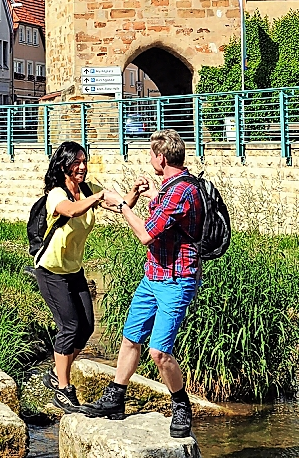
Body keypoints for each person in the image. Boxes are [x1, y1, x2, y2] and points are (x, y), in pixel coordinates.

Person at [83, 128, 205, 438]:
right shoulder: (172, 186)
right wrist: (147, 194)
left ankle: (181, 406)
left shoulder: (181, 191)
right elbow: (165, 211)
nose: (149, 159)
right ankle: (116, 396)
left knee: (159, 353)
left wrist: (122, 205)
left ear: (161, 158)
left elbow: (147, 234)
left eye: (151, 155)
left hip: (176, 280)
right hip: (153, 276)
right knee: (130, 339)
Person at [35, 141, 119, 413]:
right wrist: (97, 197)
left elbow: (120, 205)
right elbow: (71, 210)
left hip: (74, 270)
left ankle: (55, 373)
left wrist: (133, 194)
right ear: (63, 166)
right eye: (77, 162)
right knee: (69, 326)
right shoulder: (56, 194)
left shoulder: (86, 189)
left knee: (86, 328)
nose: (82, 167)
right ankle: (63, 388)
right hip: (51, 270)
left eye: (85, 161)